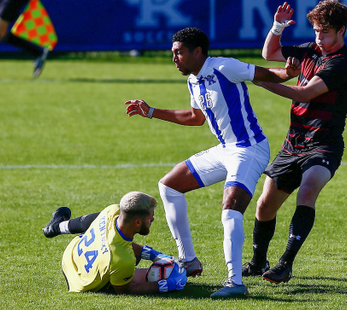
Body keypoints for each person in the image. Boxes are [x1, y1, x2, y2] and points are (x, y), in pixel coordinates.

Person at [125, 27, 298, 298]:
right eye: (173, 53)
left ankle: (235, 282)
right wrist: (151, 112)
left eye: (179, 52)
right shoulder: (193, 80)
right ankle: (188, 260)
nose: (174, 58)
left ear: (197, 52)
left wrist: (287, 72)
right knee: (169, 186)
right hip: (225, 150)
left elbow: (266, 74)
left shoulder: (225, 67)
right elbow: (195, 117)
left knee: (230, 209)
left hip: (249, 149)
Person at [242, 0, 347, 284]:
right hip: (293, 144)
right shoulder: (310, 50)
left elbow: (305, 94)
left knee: (307, 192)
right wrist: (278, 26)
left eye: (326, 32)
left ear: (342, 31)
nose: (319, 37)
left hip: (324, 144)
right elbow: (269, 53)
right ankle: (258, 262)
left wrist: (258, 81)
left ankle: (285, 264)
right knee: (264, 206)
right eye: (317, 30)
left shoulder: (343, 63)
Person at [42, 191, 187, 294]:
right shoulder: (123, 258)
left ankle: (57, 227)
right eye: (151, 217)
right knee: (135, 270)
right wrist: (169, 285)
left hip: (71, 253)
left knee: (97, 225)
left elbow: (120, 244)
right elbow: (126, 289)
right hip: (79, 282)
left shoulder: (112, 211)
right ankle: (168, 277)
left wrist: (156, 256)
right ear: (137, 222)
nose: (153, 220)